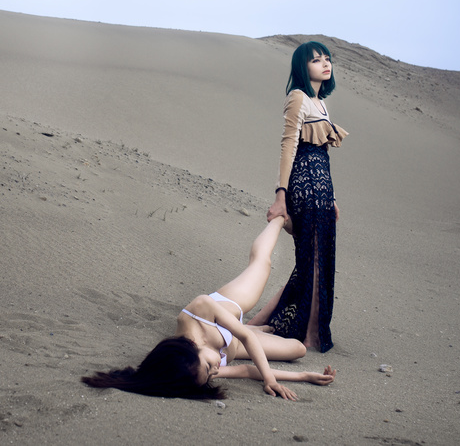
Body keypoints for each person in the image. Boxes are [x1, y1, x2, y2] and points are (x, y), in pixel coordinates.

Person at [81, 216, 337, 400]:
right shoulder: (195, 372)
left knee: (261, 263)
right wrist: (304, 376)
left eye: (209, 367)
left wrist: (269, 379)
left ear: (190, 350)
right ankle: (258, 326)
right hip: (238, 341)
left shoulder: (196, 311)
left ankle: (279, 217)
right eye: (211, 374)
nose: (216, 371)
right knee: (298, 349)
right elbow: (247, 370)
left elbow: (246, 339)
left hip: (232, 305)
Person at [248, 41, 347, 352]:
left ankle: (265, 324)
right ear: (302, 67)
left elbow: (323, 155)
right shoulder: (298, 97)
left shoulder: (321, 103)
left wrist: (332, 198)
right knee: (311, 261)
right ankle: (309, 334)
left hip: (322, 187)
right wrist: (281, 195)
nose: (325, 63)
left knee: (317, 261)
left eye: (327, 58)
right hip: (305, 185)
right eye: (316, 60)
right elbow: (288, 145)